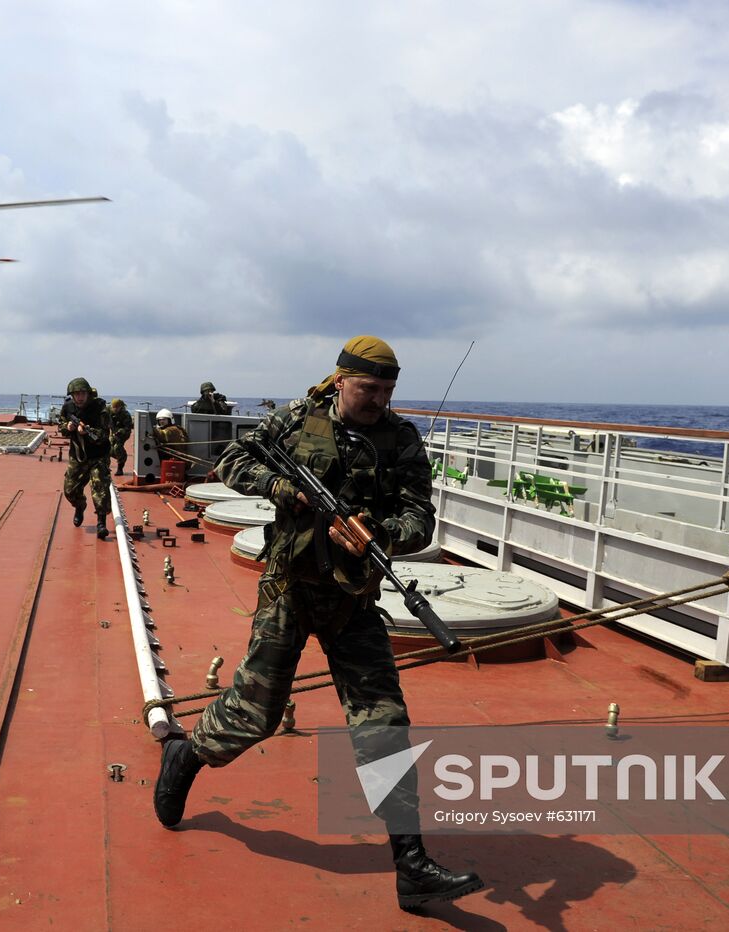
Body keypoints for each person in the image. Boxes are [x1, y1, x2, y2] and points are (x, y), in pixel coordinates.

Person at [152, 336, 483, 910]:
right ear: (340, 381)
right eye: (368, 388)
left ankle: (411, 863)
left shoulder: (401, 439)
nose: (378, 400)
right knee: (255, 714)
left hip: (353, 599)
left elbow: (419, 517)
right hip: (290, 591)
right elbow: (233, 459)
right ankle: (188, 754)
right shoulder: (295, 420)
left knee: (384, 721)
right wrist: (281, 487)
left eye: (387, 390)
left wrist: (380, 535)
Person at [57, 377, 113, 540]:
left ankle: (101, 523)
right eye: (76, 394)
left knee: (100, 488)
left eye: (83, 393)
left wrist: (87, 432)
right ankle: (80, 506)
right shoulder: (68, 408)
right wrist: (67, 427)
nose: (80, 397)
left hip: (98, 455)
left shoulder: (100, 408)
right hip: (78, 455)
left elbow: (104, 435)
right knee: (70, 490)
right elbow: (61, 425)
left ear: (88, 394)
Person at [108, 398, 133, 476]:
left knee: (117, 447)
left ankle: (120, 468)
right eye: (113, 407)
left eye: (117, 407)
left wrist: (120, 432)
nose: (115, 409)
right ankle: (106, 467)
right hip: (113, 432)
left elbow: (128, 427)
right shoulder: (109, 410)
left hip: (123, 433)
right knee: (107, 447)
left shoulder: (125, 415)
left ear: (121, 407)